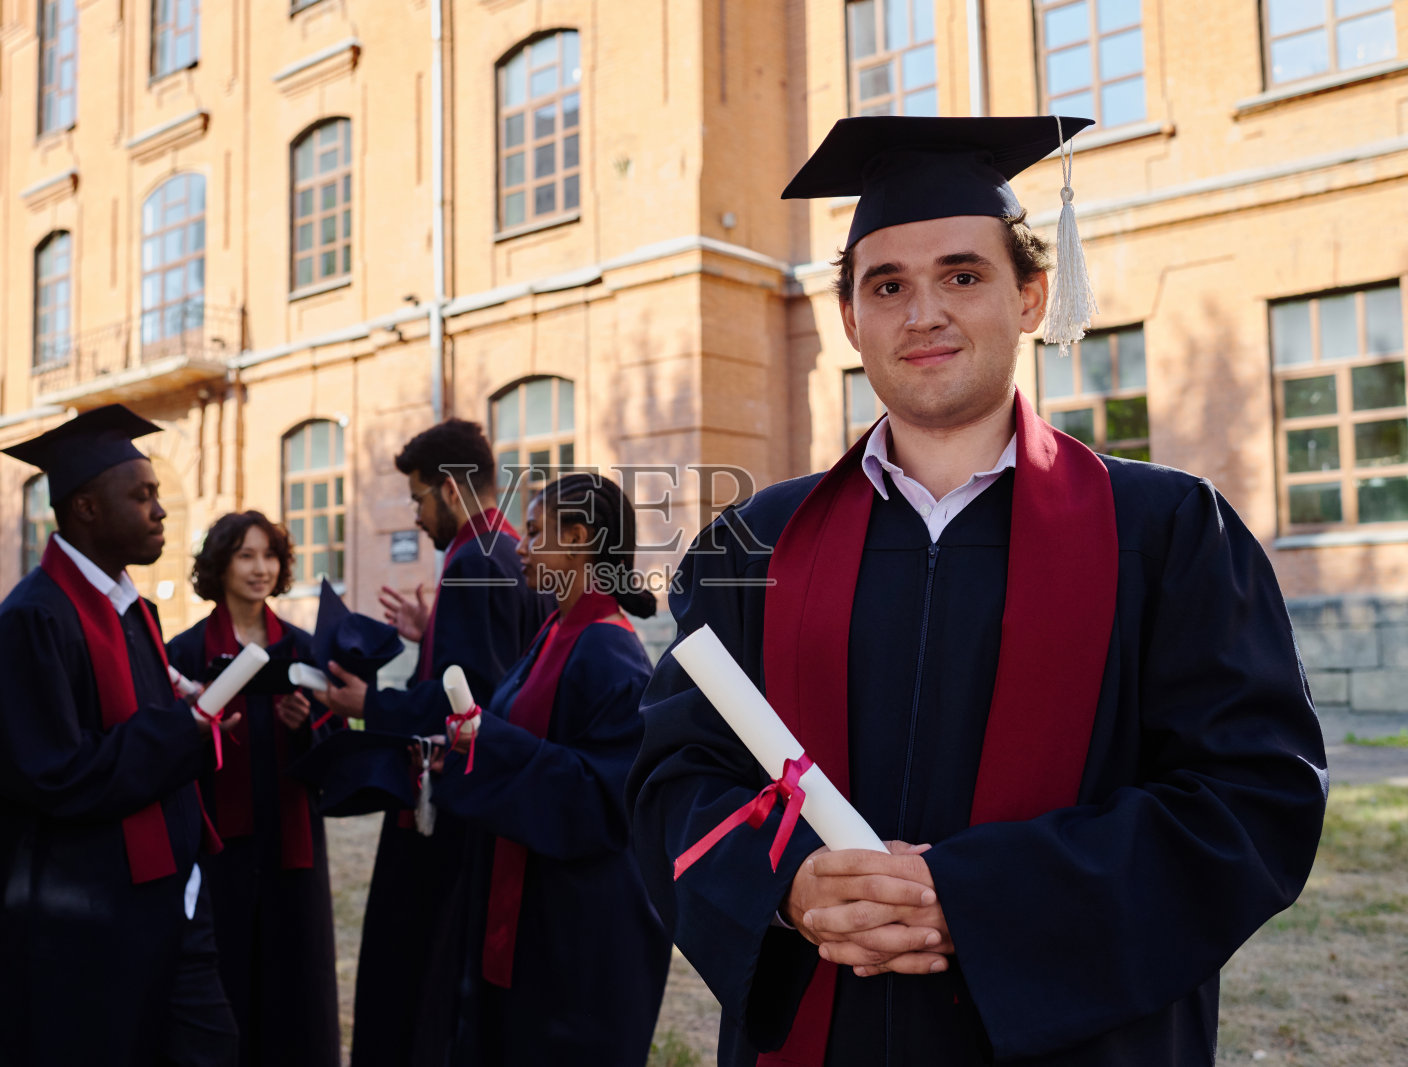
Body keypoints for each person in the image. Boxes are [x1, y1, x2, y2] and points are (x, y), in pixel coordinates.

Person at [627, 115, 1329, 1067]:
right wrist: (789, 885)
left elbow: (1252, 799)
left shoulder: (1167, 532)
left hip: (1079, 1039)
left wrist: (980, 896)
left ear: (1033, 295)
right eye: (888, 285)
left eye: (963, 275)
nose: (924, 313)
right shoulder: (753, 543)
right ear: (851, 320)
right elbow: (674, 779)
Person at [0, 404, 239, 1067]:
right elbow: (51, 773)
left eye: (157, 494)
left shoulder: (127, 607)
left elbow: (129, 724)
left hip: (166, 901)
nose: (159, 510)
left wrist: (179, 706)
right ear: (85, 507)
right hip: (88, 924)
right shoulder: (34, 621)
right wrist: (182, 729)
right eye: (141, 495)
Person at [312, 418, 551, 1066]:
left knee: (416, 970)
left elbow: (475, 697)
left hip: (451, 809)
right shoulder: (504, 548)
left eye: (418, 498)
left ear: (448, 489)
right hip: (481, 803)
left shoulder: (475, 558)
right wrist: (433, 631)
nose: (416, 515)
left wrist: (372, 703)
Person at [421, 472, 672, 1066]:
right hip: (530, 904)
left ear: (579, 538)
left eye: (535, 533)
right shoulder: (557, 632)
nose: (521, 548)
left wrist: (487, 746)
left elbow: (606, 799)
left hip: (579, 932)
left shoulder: (610, 652)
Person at [166, 512, 340, 1067]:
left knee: (298, 988)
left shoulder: (307, 649)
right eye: (245, 555)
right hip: (219, 847)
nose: (260, 568)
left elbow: (337, 751)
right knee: (225, 983)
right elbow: (165, 751)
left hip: (293, 850)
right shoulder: (184, 653)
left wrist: (307, 724)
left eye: (269, 556)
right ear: (219, 565)